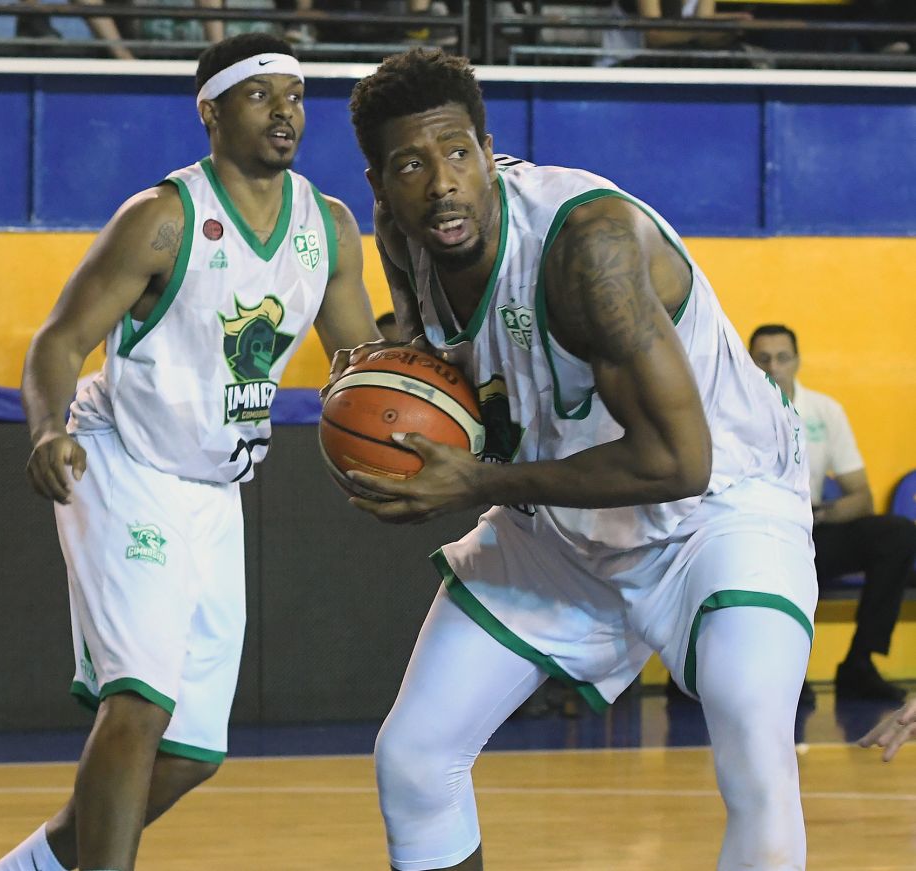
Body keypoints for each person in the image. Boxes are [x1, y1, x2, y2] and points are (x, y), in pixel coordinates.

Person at [337, 47, 817, 871]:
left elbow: (680, 461)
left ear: (488, 151)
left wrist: (476, 482)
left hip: (717, 511)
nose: (442, 183)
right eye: (411, 165)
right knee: (414, 757)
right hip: (563, 520)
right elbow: (439, 364)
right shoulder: (403, 234)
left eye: (457, 153)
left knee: (753, 737)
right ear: (380, 185)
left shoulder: (588, 247)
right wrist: (382, 381)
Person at [0, 32, 379, 871]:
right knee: (139, 703)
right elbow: (59, 341)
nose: (284, 112)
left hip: (214, 486)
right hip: (121, 459)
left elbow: (363, 366)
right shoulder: (162, 219)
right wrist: (48, 429)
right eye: (259, 95)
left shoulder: (330, 228)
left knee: (193, 751)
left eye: (295, 95)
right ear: (211, 111)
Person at [750, 324, 916, 703]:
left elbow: (862, 498)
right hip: (756, 533)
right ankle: (783, 673)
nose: (773, 367)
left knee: (898, 534)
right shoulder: (730, 412)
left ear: (797, 362)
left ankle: (860, 664)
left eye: (782, 358)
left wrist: (818, 515)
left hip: (810, 528)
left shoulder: (824, 411)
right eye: (763, 359)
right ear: (749, 364)